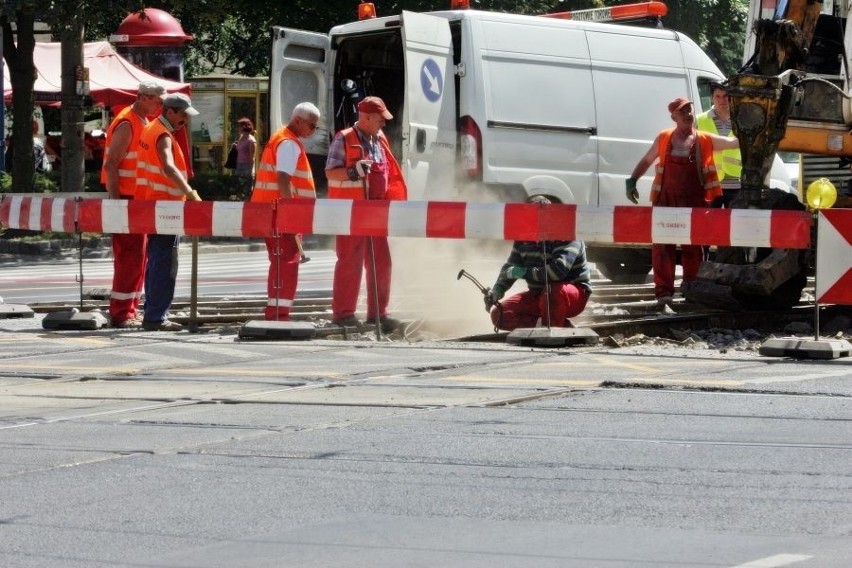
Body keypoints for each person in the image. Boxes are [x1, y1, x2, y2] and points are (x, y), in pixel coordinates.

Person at [626, 97, 739, 305]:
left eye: (690, 110)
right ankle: (664, 293)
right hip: (665, 199)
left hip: (695, 200)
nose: (688, 114)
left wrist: (748, 125)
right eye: (683, 112)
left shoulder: (704, 139)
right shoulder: (664, 138)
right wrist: (632, 180)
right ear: (673, 117)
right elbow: (648, 159)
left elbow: (733, 143)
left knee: (693, 247)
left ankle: (691, 289)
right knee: (662, 247)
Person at [325, 96, 408, 333]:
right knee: (350, 262)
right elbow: (331, 173)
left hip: (376, 211)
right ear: (368, 117)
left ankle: (378, 315)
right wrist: (353, 171)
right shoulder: (344, 138)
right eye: (381, 118)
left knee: (381, 263)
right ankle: (343, 315)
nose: (384, 123)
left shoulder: (380, 139)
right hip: (350, 211)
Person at [101, 81, 166, 328]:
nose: (161, 106)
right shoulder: (128, 122)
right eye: (158, 101)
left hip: (137, 200)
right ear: (143, 97)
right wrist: (117, 202)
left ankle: (129, 309)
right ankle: (121, 312)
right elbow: (111, 164)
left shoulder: (142, 121)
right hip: (126, 200)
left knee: (137, 257)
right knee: (130, 257)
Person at [136, 93, 202, 332]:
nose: (185, 120)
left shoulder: (151, 128)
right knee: (165, 263)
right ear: (170, 111)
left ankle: (152, 312)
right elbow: (167, 166)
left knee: (156, 261)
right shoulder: (163, 134)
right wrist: (189, 191)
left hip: (151, 204)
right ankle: (155, 316)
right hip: (166, 207)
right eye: (183, 115)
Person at [250, 102, 320, 321]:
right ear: (298, 120)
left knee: (282, 263)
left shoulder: (282, 138)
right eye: (312, 125)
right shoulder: (288, 143)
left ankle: (278, 313)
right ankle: (278, 315)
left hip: (275, 212)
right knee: (286, 265)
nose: (314, 130)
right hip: (281, 214)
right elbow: (283, 180)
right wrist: (290, 214)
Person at [484, 196, 592, 330]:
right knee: (498, 314)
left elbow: (557, 271)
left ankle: (553, 329)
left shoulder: (567, 234)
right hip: (539, 295)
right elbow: (510, 268)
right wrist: (497, 290)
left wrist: (524, 272)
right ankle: (555, 327)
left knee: (552, 292)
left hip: (572, 295)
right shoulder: (523, 238)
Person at [696, 82, 742, 207]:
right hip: (711, 182)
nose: (722, 100)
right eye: (718, 96)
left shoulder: (741, 119)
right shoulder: (699, 120)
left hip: (735, 183)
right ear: (712, 98)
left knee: (733, 223)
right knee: (709, 223)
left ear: (731, 97)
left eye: (725, 96)